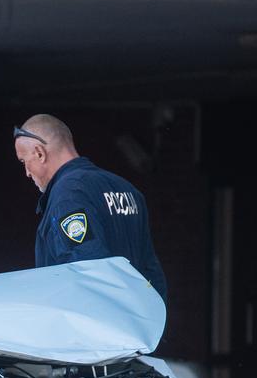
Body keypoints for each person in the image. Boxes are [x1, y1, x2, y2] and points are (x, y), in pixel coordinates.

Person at [13, 114, 167, 301]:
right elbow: (151, 271)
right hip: (134, 323)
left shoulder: (67, 195)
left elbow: (87, 269)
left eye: (23, 161)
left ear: (39, 153)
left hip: (94, 325)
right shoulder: (127, 189)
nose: (27, 173)